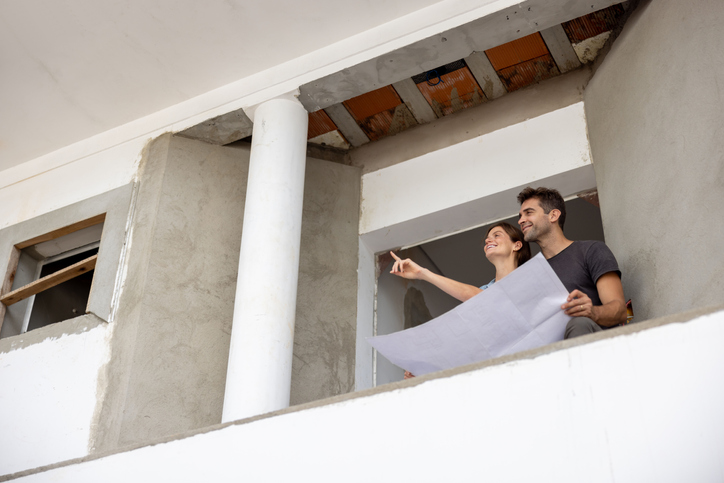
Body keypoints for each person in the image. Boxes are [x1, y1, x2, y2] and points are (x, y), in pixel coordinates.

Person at [390, 222, 531, 378]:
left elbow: (477, 297)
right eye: (487, 239)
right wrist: (426, 371)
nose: (488, 240)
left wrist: (422, 273)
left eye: (497, 235)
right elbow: (464, 345)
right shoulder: (484, 291)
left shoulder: (531, 281)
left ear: (517, 245)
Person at [517, 187, 626, 338]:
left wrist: (592, 312)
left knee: (579, 323)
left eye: (529, 213)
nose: (520, 220)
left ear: (553, 215)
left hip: (598, 349)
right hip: (554, 351)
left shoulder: (591, 250)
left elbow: (621, 311)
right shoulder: (531, 273)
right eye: (520, 215)